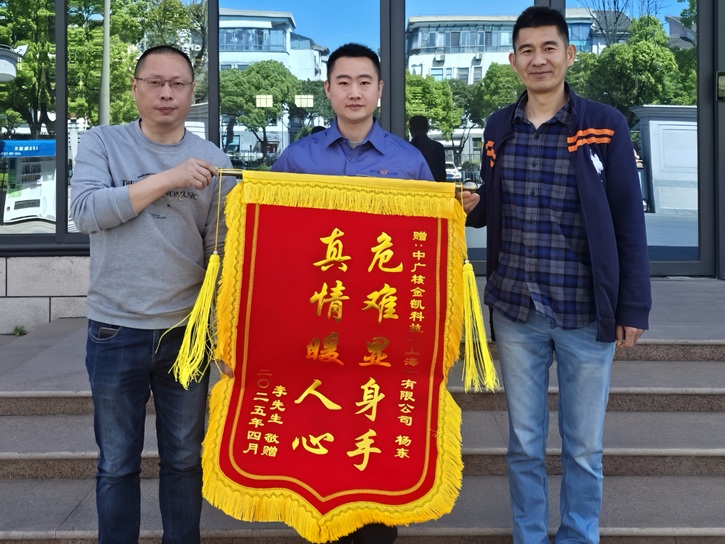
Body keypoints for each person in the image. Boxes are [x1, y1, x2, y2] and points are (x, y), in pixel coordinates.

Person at [272, 42, 478, 544]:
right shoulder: (298, 158)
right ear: (327, 89)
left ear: (380, 90)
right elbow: (269, 237)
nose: (354, 92)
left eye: (364, 82)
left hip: (381, 330)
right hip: (315, 326)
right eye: (343, 82)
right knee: (317, 433)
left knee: (374, 436)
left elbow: (431, 245)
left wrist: (456, 212)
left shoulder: (408, 161)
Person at [466, 7, 651, 543]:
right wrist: (469, 204)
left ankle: (577, 535)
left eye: (549, 48)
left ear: (569, 55)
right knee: (524, 443)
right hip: (515, 309)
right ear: (513, 61)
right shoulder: (498, 127)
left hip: (585, 310)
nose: (538, 59)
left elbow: (628, 219)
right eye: (527, 50)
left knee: (584, 446)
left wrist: (633, 307)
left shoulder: (604, 125)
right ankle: (529, 535)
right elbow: (494, 203)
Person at [70, 45, 234, 544]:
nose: (167, 93)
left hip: (186, 333)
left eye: (177, 84)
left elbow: (220, 252)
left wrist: (224, 331)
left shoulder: (215, 161)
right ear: (136, 88)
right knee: (117, 462)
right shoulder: (102, 143)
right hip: (114, 327)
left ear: (191, 91)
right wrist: (169, 177)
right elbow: (87, 212)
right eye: (156, 83)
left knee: (183, 459)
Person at [408, 115, 447, 181]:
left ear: (411, 129)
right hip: (434, 185)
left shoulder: (406, 148)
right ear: (427, 128)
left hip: (413, 185)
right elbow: (441, 174)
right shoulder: (438, 147)